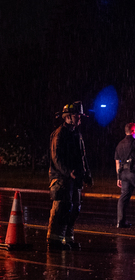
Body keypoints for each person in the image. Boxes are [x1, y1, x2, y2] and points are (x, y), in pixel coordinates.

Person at [47, 101, 93, 250]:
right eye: (77, 116)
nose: (80, 119)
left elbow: (82, 156)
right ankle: (54, 241)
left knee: (74, 209)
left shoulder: (76, 134)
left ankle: (67, 239)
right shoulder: (59, 134)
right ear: (68, 117)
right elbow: (56, 158)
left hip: (75, 178)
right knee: (62, 208)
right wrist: (68, 172)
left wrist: (87, 174)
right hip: (62, 179)